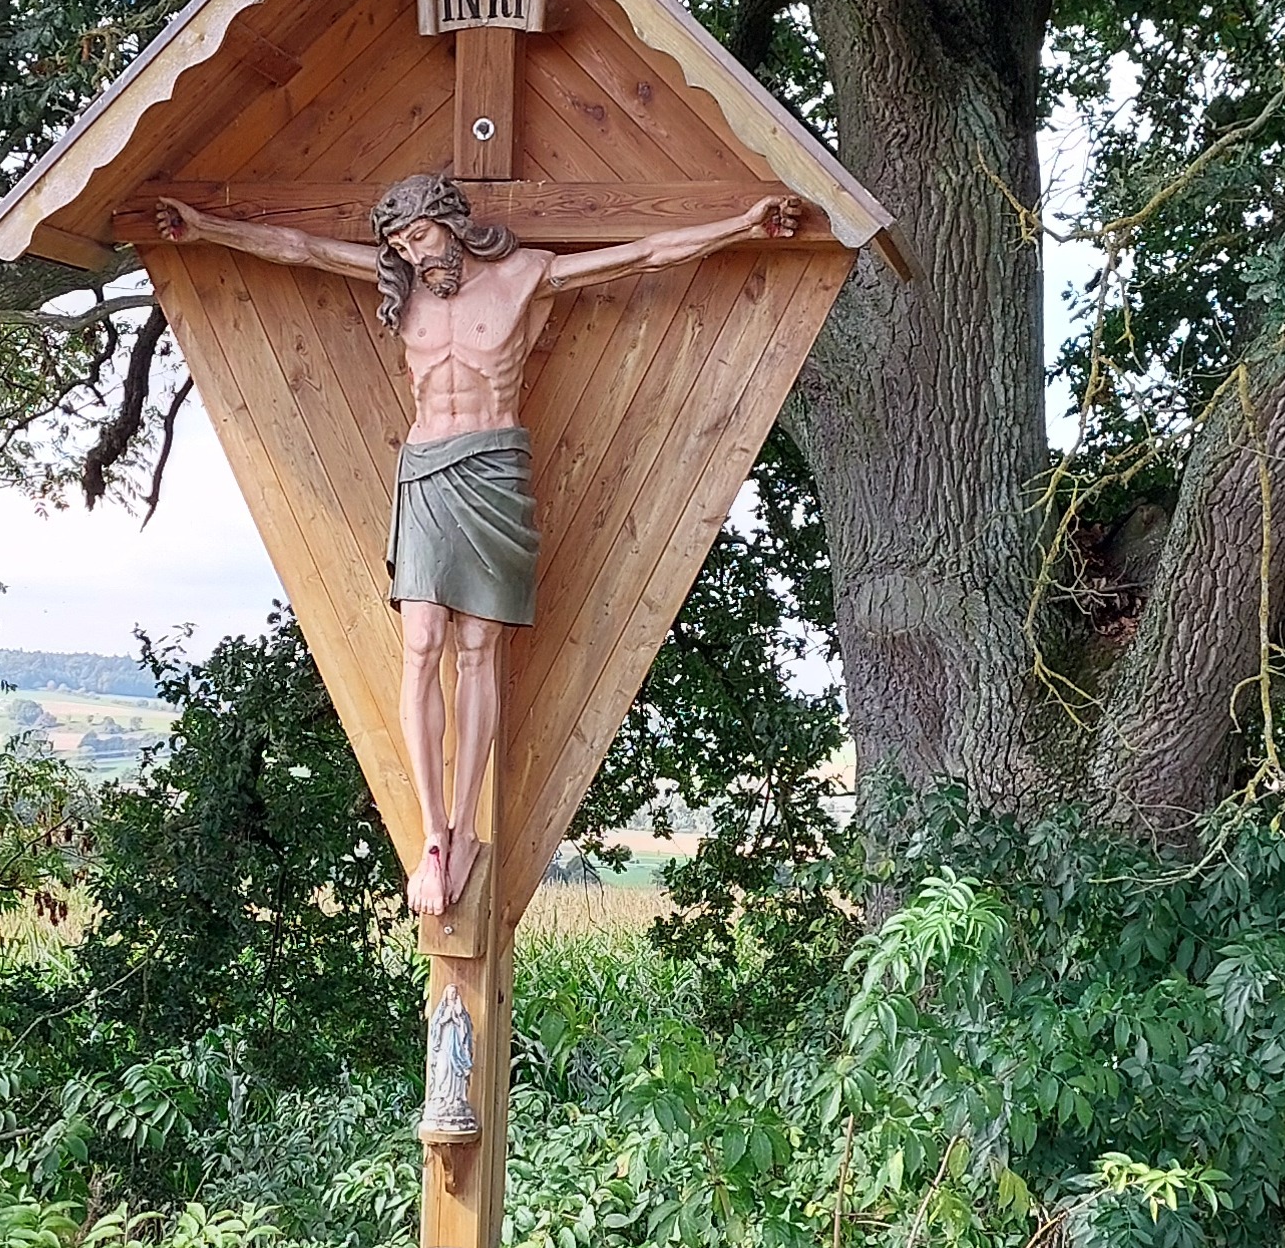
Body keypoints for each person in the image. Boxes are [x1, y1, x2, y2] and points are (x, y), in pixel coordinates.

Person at [148, 171, 805, 920]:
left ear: (452, 221)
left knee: (478, 647)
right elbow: (297, 249)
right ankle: (433, 833)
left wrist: (742, 225)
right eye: (398, 242)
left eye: (420, 235)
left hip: (494, 469)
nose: (411, 251)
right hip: (424, 471)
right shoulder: (405, 286)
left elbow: (646, 253)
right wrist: (205, 228)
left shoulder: (527, 274)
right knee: (422, 642)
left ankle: (463, 826)